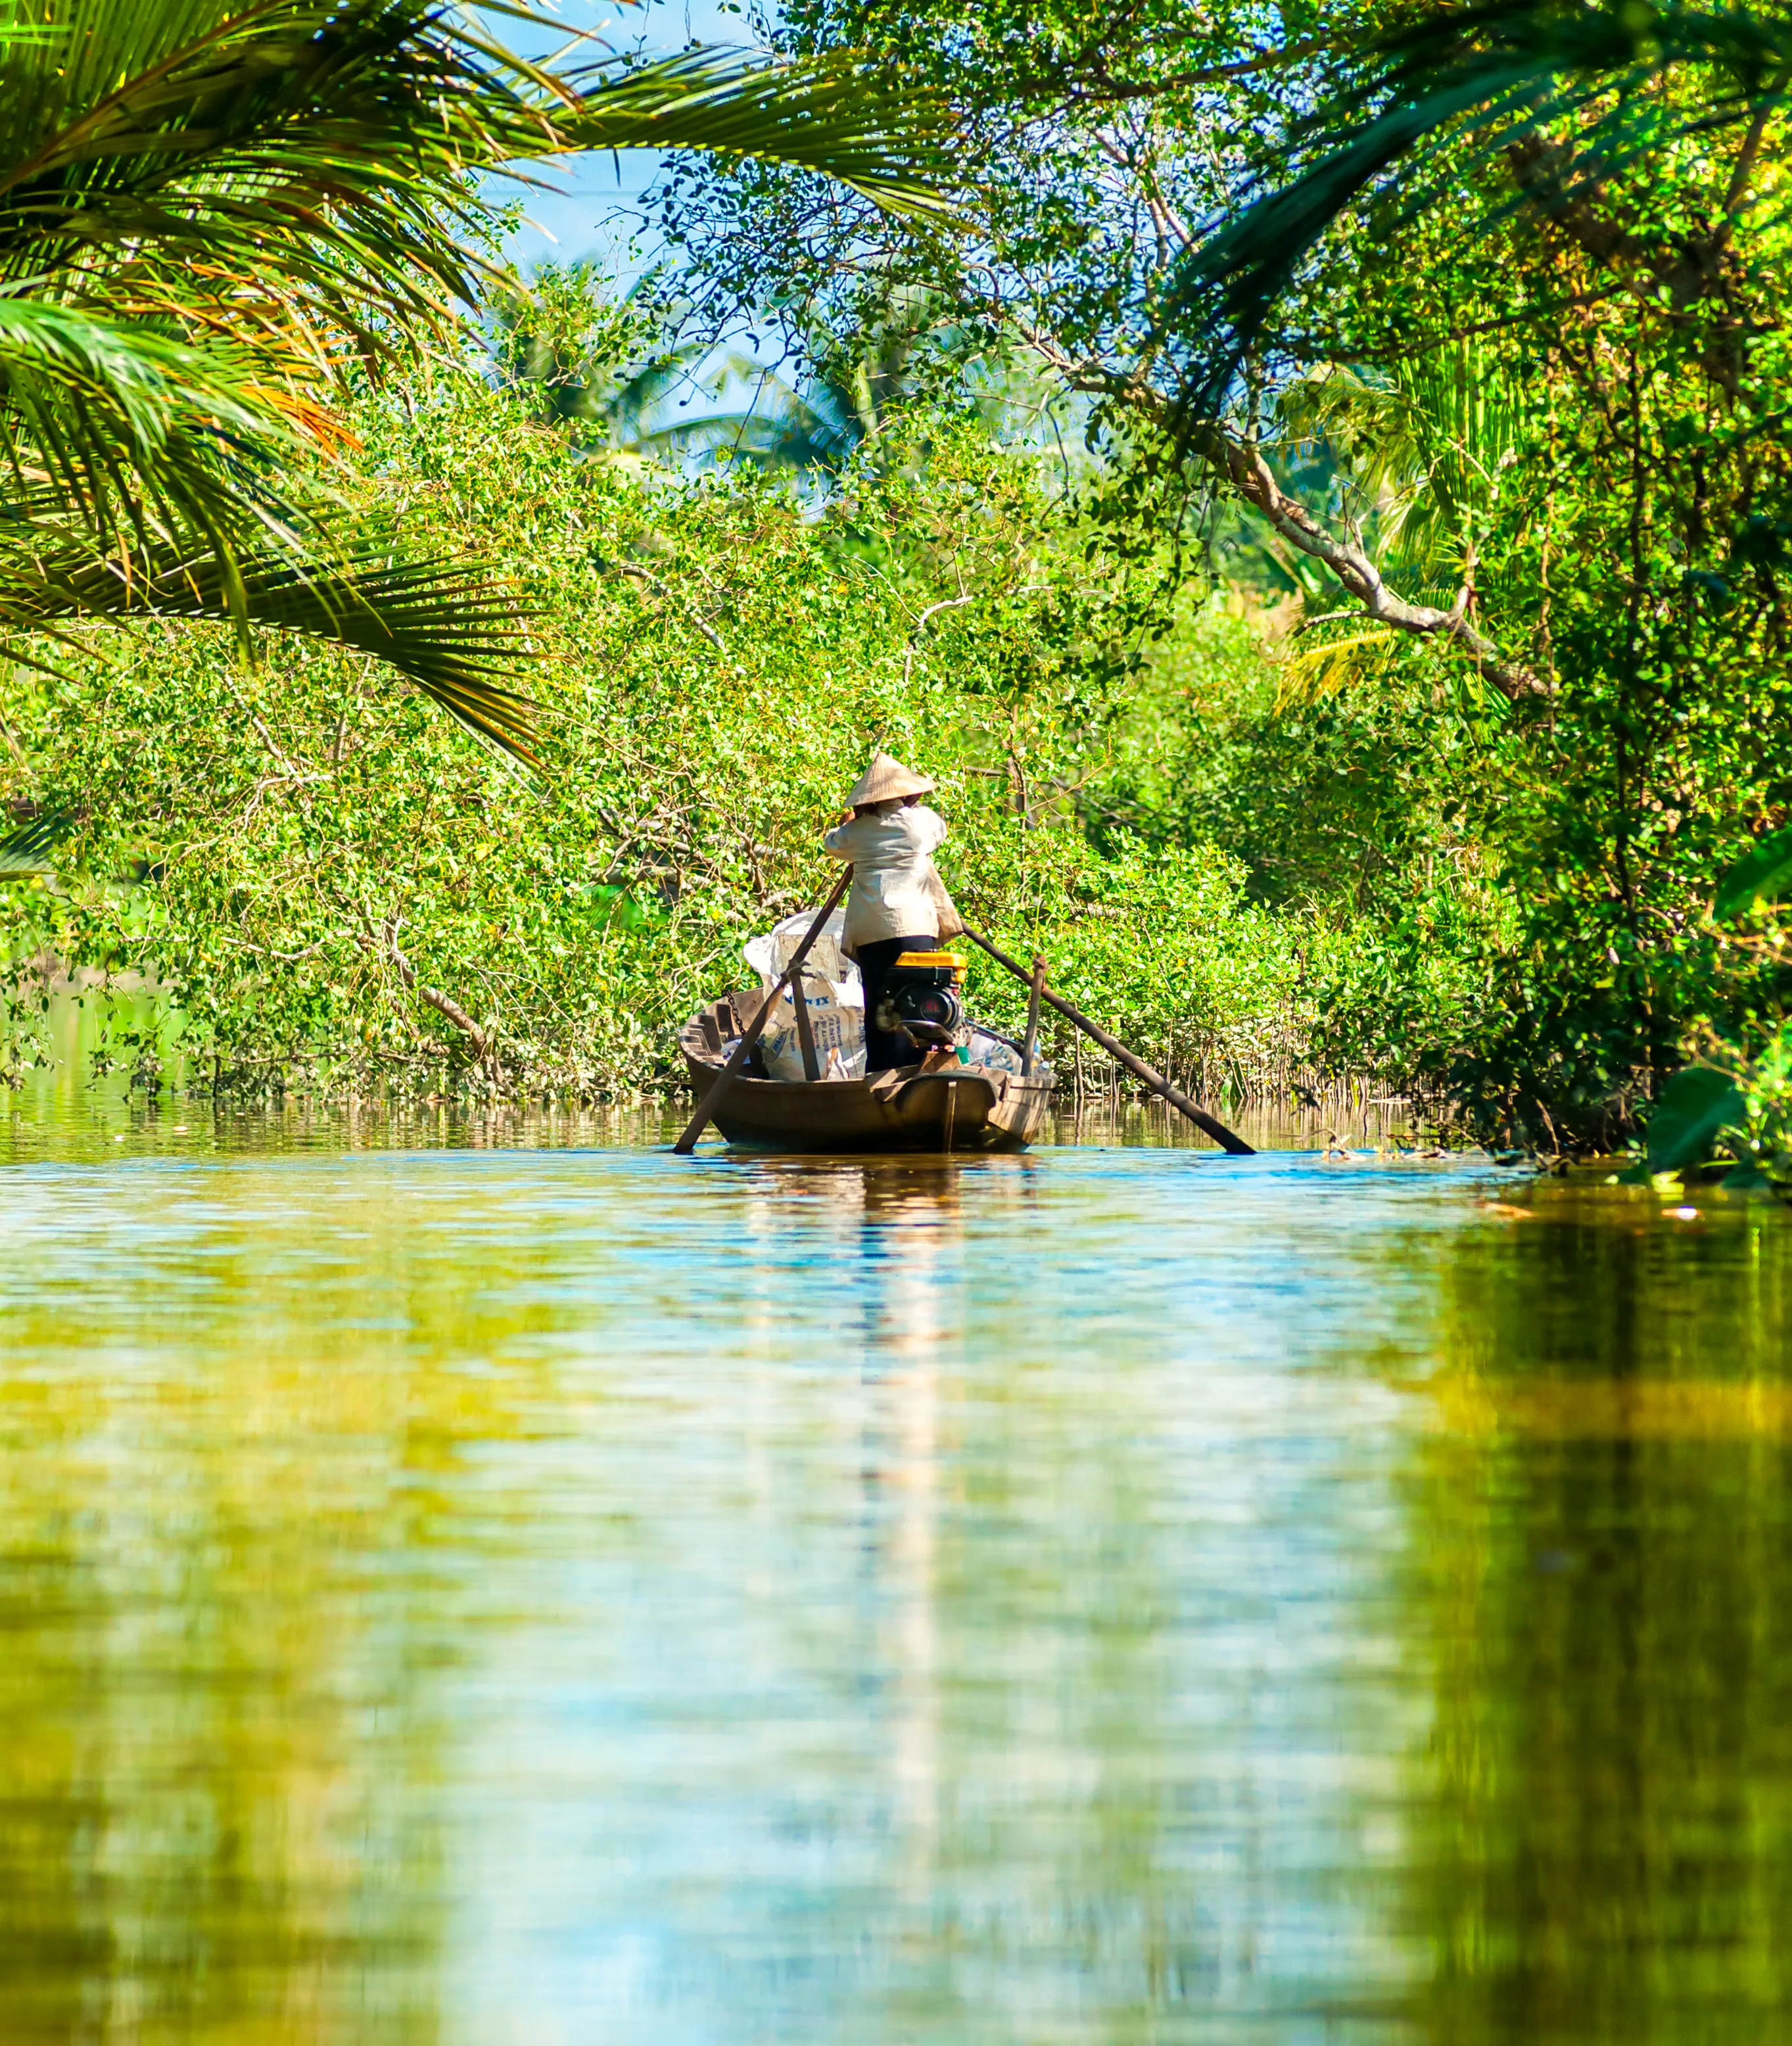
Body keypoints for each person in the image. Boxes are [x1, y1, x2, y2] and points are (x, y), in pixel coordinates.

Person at [823, 751, 960, 1072]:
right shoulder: (920, 822)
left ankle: (883, 1070)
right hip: (917, 926)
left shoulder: (857, 832)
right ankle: (918, 1066)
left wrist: (849, 824)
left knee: (881, 1002)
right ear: (908, 795)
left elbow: (832, 845)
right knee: (919, 995)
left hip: (874, 931)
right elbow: (940, 831)